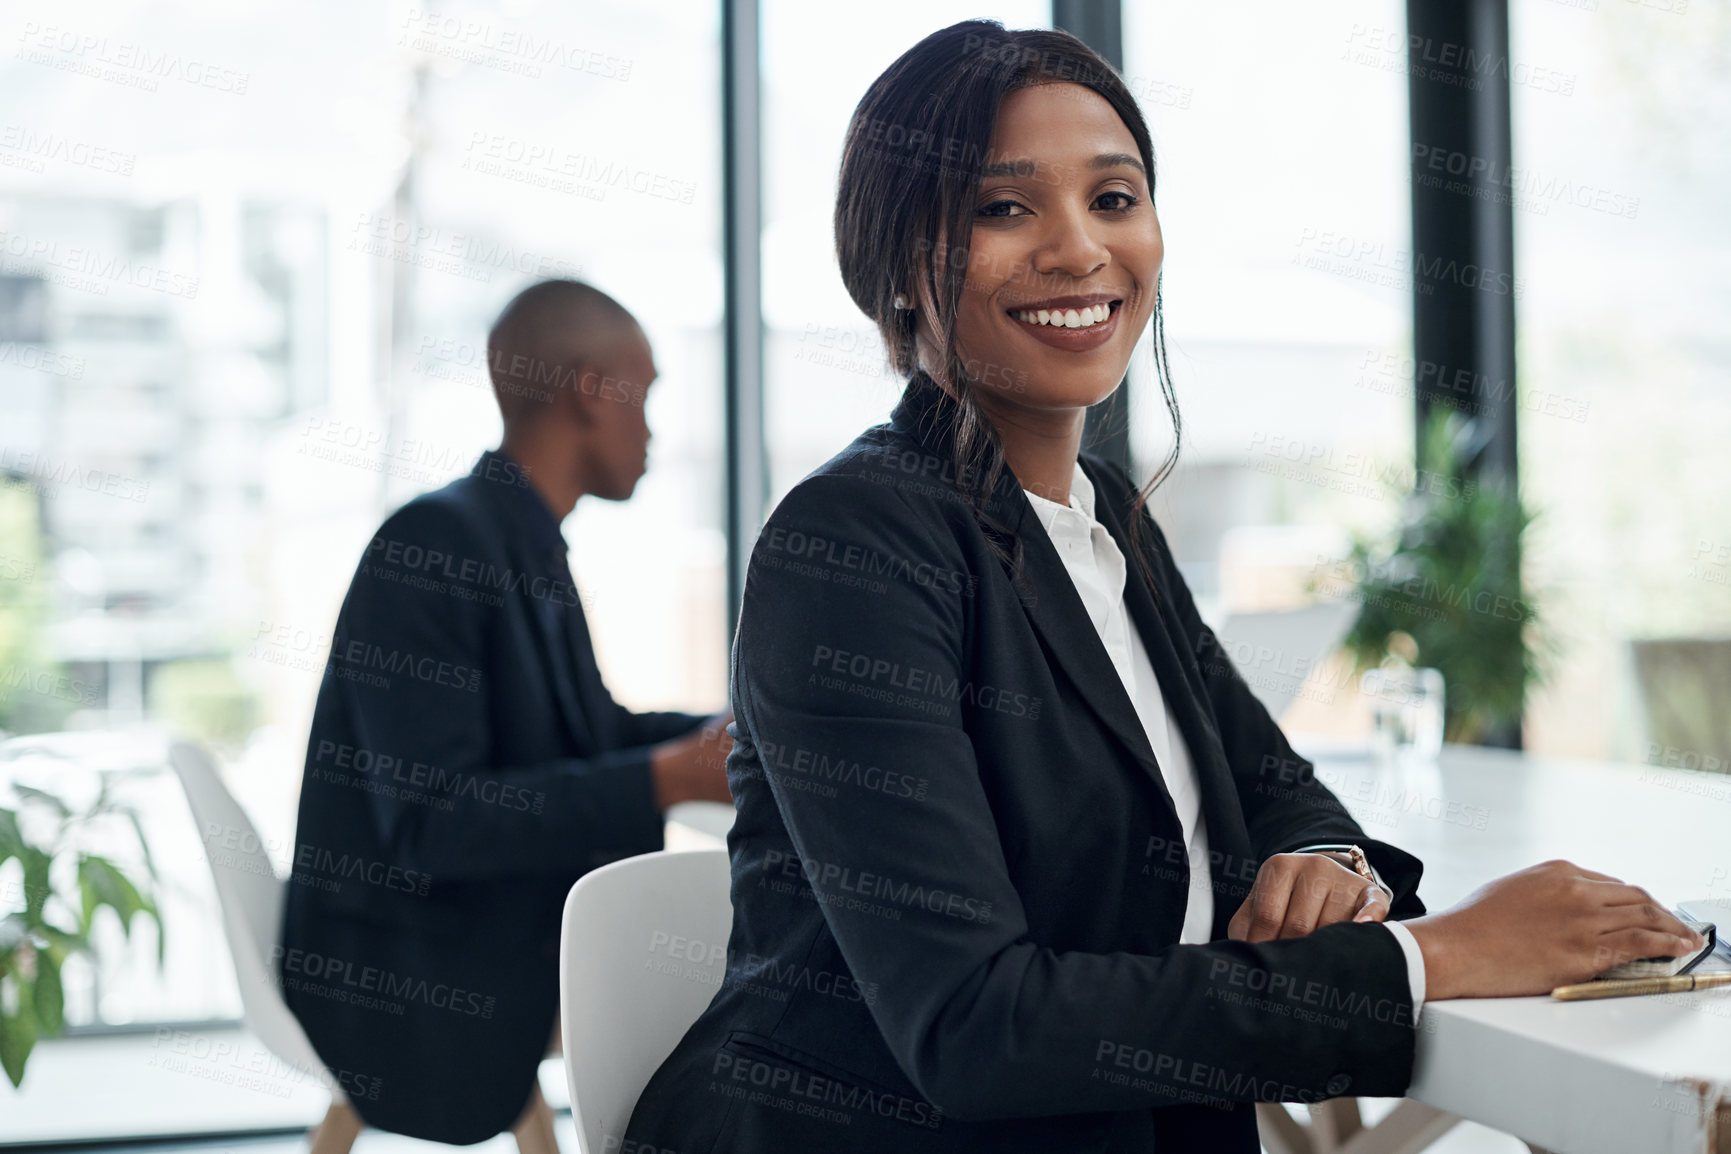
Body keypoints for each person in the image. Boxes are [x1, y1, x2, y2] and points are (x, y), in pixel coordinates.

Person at [623, 22, 1704, 1153]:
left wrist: (1328, 867)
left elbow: (1276, 782)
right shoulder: (854, 543)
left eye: (1115, 196)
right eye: (1004, 208)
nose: (1079, 249)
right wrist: (1437, 954)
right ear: (896, 263)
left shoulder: (1104, 520)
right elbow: (974, 1027)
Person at [280, 279, 732, 1145]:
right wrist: (666, 775)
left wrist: (719, 735)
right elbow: (431, 824)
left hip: (482, 922)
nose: (655, 430)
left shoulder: (516, 539)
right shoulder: (433, 546)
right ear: (593, 392)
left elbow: (589, 732)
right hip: (402, 967)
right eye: (648, 395)